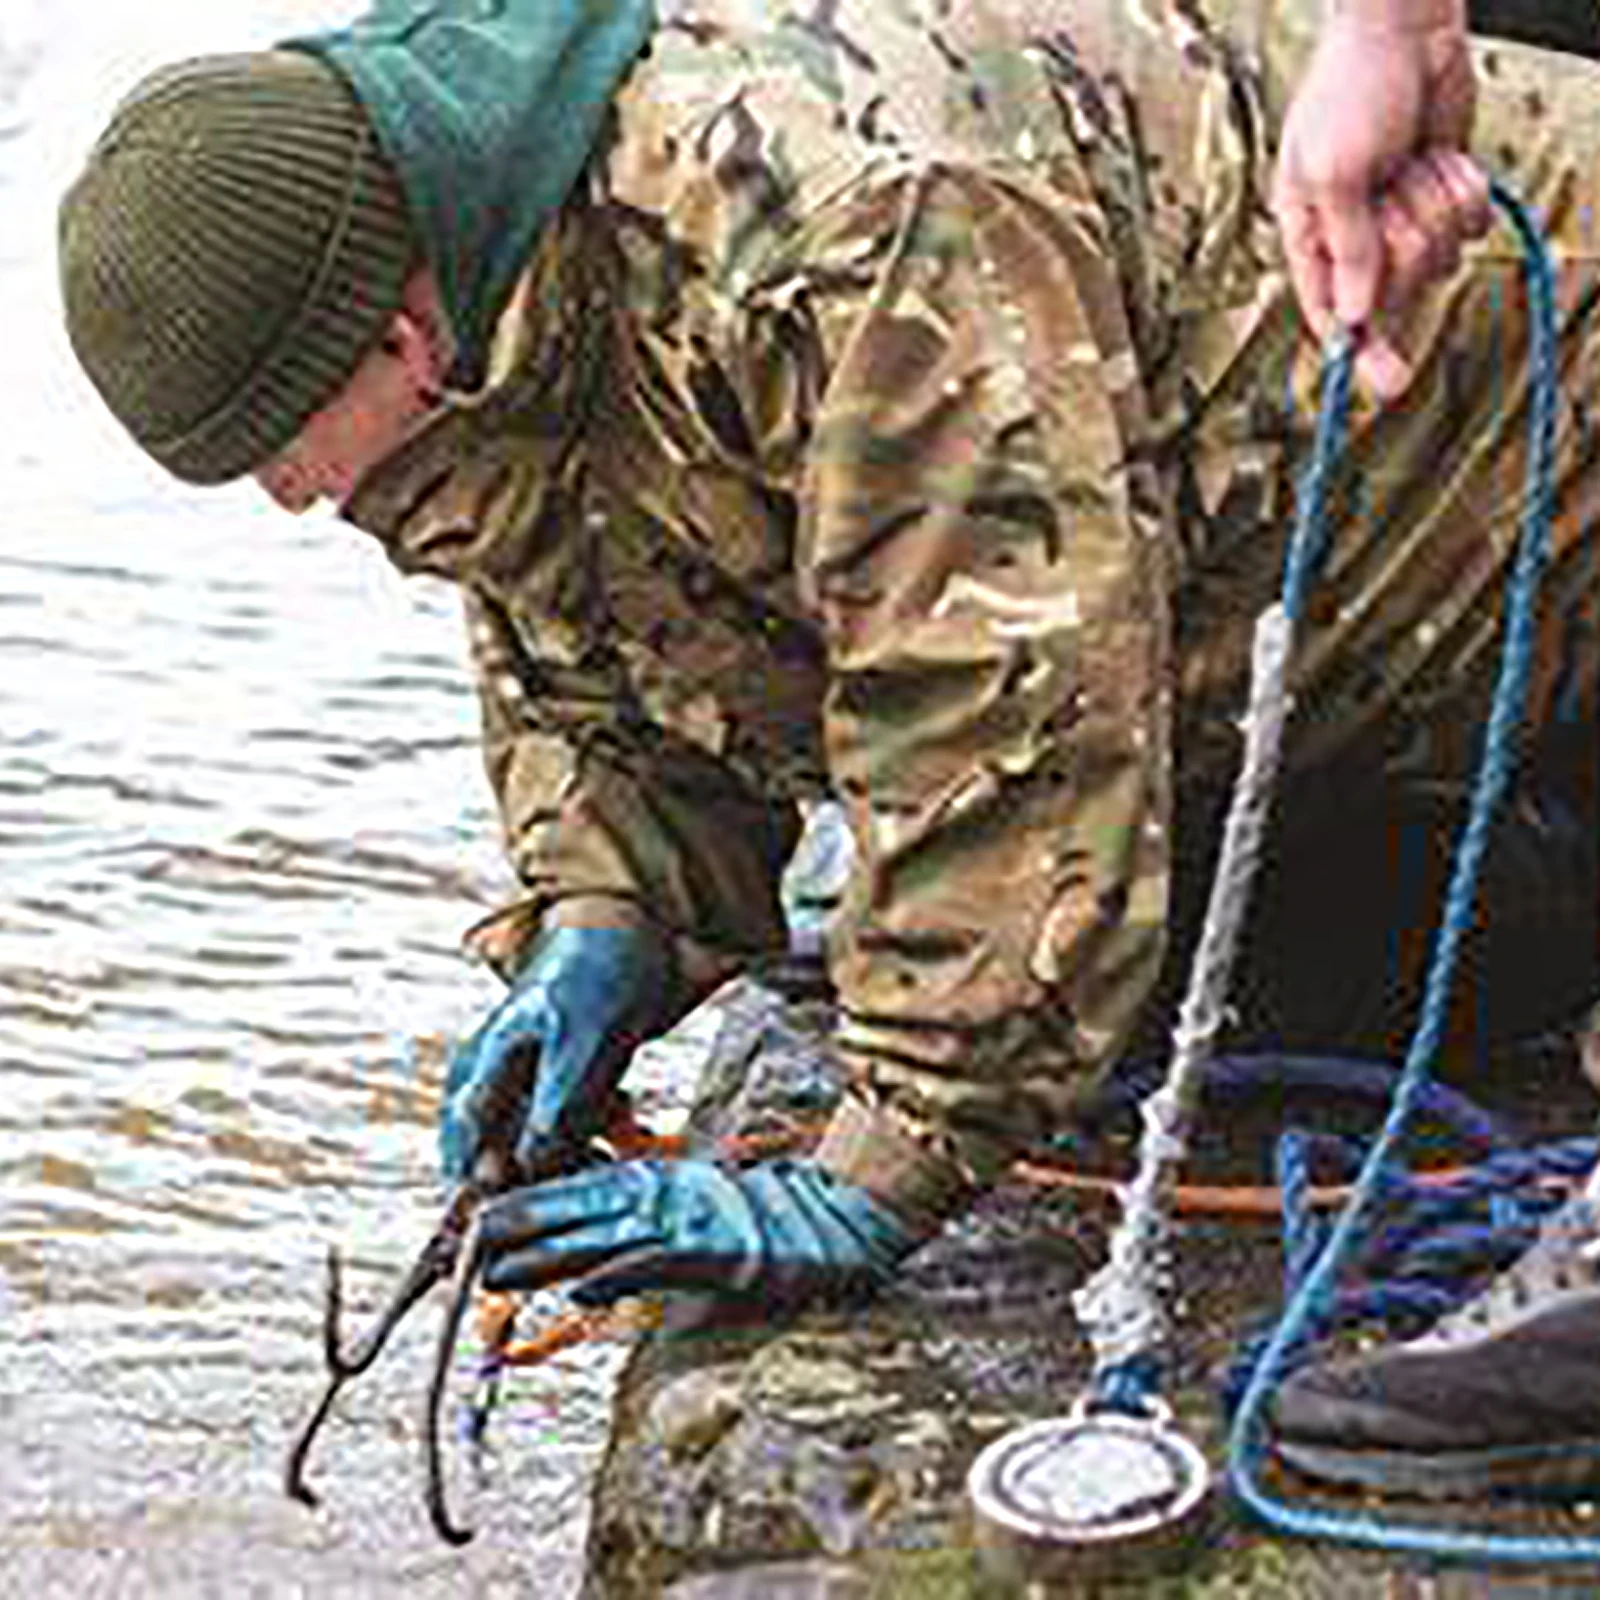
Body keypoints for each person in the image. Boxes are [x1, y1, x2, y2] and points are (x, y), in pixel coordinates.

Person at [58, 0, 1596, 1352]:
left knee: (1115, 1001)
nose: (286, 501)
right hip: (1284, 578)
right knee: (1064, 992)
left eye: (278, 455)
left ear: (395, 338)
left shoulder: (852, 221)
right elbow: (605, 590)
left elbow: (1011, 704)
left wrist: (872, 1173)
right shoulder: (486, 273)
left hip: (1536, 493)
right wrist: (610, 921)